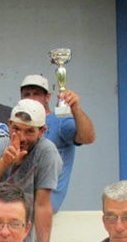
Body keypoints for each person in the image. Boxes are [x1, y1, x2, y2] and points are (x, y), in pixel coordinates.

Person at [0, 99, 61, 242]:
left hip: (23, 229)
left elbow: (43, 204)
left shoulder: (46, 152)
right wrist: (4, 163)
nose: (21, 137)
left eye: (29, 131)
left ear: (42, 131)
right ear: (9, 124)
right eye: (16, 129)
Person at [19, 74, 96, 211]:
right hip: (19, 199)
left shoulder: (60, 121)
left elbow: (88, 138)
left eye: (36, 94)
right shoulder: (17, 123)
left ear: (47, 97)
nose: (31, 98)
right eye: (27, 94)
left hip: (44, 203)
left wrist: (75, 108)